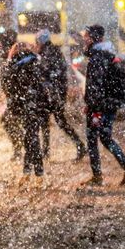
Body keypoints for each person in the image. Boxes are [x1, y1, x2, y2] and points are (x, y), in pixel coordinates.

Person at [79, 24, 125, 187]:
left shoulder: (98, 57)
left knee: (94, 138)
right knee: (104, 137)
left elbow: (95, 86)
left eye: (87, 36)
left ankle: (99, 176)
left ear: (94, 39)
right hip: (107, 104)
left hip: (100, 106)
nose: (85, 39)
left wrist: (92, 105)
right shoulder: (107, 54)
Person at [3, 41, 51, 185]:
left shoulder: (15, 65)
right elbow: (44, 85)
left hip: (25, 106)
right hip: (35, 106)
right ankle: (29, 172)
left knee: (31, 139)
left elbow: (7, 85)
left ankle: (38, 174)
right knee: (30, 139)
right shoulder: (35, 63)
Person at [35, 30, 86, 161]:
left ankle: (47, 152)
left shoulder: (49, 53)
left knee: (49, 121)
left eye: (37, 42)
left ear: (41, 42)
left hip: (51, 94)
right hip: (54, 93)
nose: (36, 45)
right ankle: (77, 145)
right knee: (56, 121)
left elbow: (47, 73)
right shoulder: (53, 52)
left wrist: (41, 77)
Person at [0, 29, 23, 161]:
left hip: (18, 96)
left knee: (10, 121)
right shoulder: (10, 54)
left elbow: (10, 75)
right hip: (15, 96)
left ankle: (21, 148)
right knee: (11, 121)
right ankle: (20, 147)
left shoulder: (15, 54)